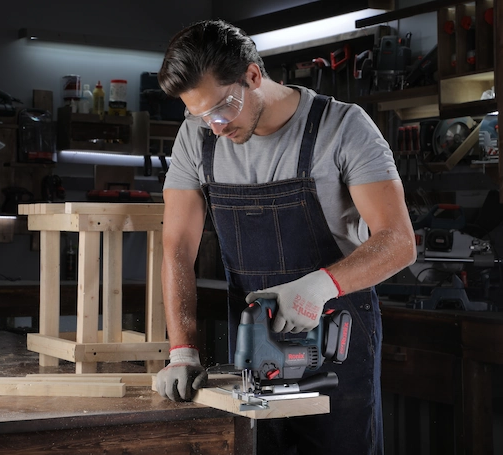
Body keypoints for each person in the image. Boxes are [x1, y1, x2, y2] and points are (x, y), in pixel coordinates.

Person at [154, 19, 417, 455]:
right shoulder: (196, 137)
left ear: (253, 76)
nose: (214, 127)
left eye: (221, 109)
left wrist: (320, 286)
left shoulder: (343, 127)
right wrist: (182, 348)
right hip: (254, 349)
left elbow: (399, 241)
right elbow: (177, 249)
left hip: (338, 342)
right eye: (198, 114)